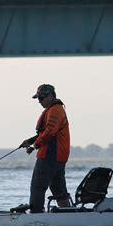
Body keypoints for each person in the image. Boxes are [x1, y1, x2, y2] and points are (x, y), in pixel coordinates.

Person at [21, 84, 71, 213]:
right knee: (58, 188)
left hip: (50, 155)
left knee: (37, 186)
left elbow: (50, 132)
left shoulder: (55, 110)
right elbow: (44, 132)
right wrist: (30, 141)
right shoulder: (55, 109)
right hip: (58, 157)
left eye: (42, 98)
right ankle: (67, 213)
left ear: (51, 96)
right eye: (38, 98)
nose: (39, 101)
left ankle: (36, 214)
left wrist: (34, 146)